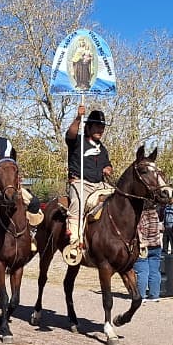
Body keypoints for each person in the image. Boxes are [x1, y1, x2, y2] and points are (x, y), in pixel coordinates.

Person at [64, 106, 113, 257]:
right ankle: (74, 242)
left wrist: (108, 168)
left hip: (99, 184)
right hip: (80, 183)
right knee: (77, 204)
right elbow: (70, 134)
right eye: (98, 126)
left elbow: (107, 163)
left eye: (102, 127)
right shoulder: (77, 141)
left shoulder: (103, 148)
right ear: (89, 127)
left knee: (118, 198)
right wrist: (78, 117)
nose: (101, 129)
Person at [134, 204, 163, 301]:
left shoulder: (140, 216)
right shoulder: (155, 214)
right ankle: (154, 294)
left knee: (142, 272)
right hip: (156, 245)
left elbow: (139, 232)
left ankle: (141, 296)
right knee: (154, 271)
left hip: (144, 247)